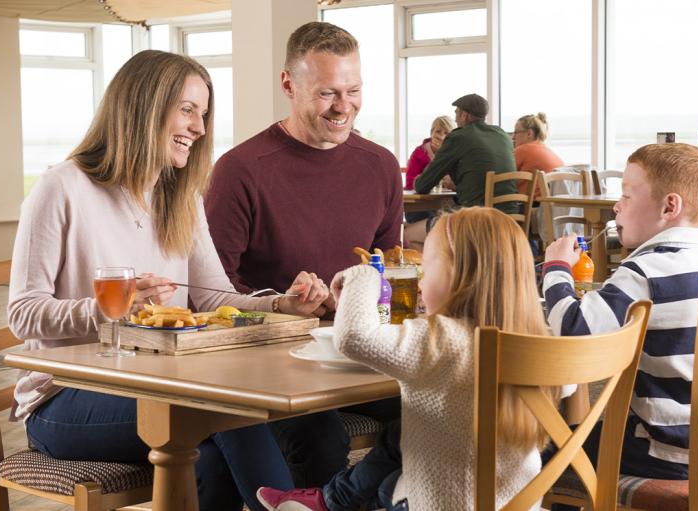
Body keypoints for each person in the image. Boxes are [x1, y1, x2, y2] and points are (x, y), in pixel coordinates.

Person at [7, 50, 330, 511]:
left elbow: (212, 297)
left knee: (212, 451)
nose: (199, 128)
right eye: (187, 109)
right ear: (142, 106)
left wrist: (282, 304)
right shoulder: (61, 187)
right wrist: (113, 308)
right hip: (63, 400)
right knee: (222, 412)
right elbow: (22, 314)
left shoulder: (180, 197)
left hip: (156, 385)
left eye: (203, 113)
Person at [256, 207, 568, 511]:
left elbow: (353, 337)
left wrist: (363, 275)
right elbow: (569, 386)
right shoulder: (544, 342)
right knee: (397, 460)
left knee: (392, 485)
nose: (419, 283)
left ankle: (323, 503)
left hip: (442, 503)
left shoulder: (439, 339)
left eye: (427, 269)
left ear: (459, 276)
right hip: (520, 503)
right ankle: (329, 501)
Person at [204, 22, 403, 488]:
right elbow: (212, 292)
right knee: (319, 437)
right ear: (288, 84)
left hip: (358, 352)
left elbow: (390, 269)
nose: (343, 106)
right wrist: (283, 305)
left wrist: (363, 297)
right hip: (273, 361)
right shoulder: (239, 170)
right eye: (327, 93)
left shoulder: (380, 165)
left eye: (353, 90)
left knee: (445, 403)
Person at [541, 143, 698, 483]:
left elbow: (572, 333)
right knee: (587, 436)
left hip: (665, 450)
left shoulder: (645, 271)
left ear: (669, 206)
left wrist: (556, 270)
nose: (616, 206)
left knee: (545, 454)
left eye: (626, 196)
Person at [405, 93, 518, 250]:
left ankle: (450, 274)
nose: (456, 119)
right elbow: (483, 175)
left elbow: (422, 185)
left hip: (475, 219)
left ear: (464, 115)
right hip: (510, 217)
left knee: (408, 235)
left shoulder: (459, 137)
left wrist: (417, 180)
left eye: (457, 113)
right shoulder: (502, 135)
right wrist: (458, 184)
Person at [404, 115, 454, 224]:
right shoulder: (419, 153)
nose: (441, 136)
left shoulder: (455, 154)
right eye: (438, 131)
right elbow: (409, 183)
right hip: (420, 207)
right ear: (431, 133)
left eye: (446, 133)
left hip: (446, 204)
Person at [513, 112, 564, 195]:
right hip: (550, 203)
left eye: (516, 132)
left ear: (529, 133)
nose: (513, 137)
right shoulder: (546, 149)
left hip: (532, 204)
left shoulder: (524, 149)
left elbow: (502, 175)